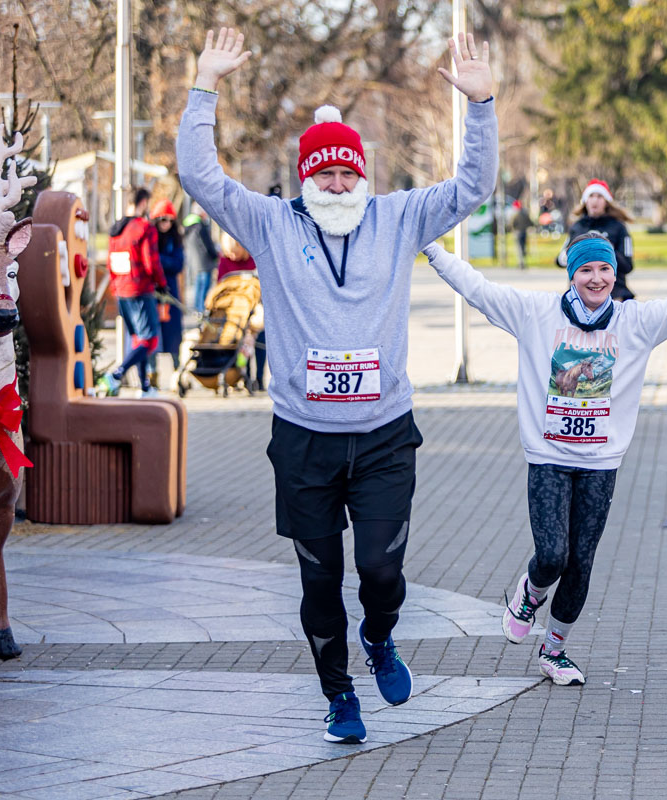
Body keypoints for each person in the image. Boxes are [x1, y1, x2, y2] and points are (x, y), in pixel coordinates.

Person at [177, 27, 498, 744]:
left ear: (363, 175)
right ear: (305, 178)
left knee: (380, 569)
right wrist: (205, 86)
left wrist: (480, 108)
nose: (337, 185)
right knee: (319, 582)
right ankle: (338, 695)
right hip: (305, 440)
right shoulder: (271, 224)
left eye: (348, 173)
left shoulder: (397, 217)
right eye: (323, 174)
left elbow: (473, 188)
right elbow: (201, 178)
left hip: (384, 436)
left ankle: (380, 636)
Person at [423, 205, 667, 686]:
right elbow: (478, 289)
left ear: (615, 273)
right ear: (571, 274)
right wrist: (431, 248)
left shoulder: (635, 322)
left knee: (580, 563)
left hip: (601, 462)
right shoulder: (536, 313)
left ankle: (555, 651)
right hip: (548, 456)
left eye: (604, 269)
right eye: (586, 269)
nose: (597, 278)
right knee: (552, 555)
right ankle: (530, 593)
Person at [98, 187, 166, 398]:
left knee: (138, 339)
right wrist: (162, 284)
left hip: (121, 290)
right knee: (150, 340)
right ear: (143, 203)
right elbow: (151, 262)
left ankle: (144, 387)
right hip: (140, 290)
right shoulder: (144, 228)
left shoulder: (116, 230)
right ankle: (116, 375)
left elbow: (110, 262)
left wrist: (116, 286)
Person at [558, 180, 635, 300]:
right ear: (585, 201)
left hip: (614, 294)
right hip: (580, 295)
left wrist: (606, 249)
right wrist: (574, 253)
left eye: (599, 196)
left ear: (606, 201)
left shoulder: (618, 227)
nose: (595, 200)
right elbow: (560, 261)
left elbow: (627, 266)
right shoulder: (577, 227)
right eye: (591, 196)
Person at [151, 199, 185, 371]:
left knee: (173, 334)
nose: (166, 224)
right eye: (163, 220)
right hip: (153, 291)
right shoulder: (150, 237)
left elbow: (178, 264)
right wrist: (162, 263)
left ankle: (177, 371)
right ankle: (152, 372)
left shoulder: (175, 239)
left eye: (170, 220)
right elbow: (149, 261)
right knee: (152, 332)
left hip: (170, 290)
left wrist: (159, 261)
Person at [182, 203, 220, 314]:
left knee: (198, 287)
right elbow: (207, 245)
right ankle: (201, 311)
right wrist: (215, 256)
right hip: (204, 262)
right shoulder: (200, 227)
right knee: (204, 288)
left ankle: (197, 310)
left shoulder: (188, 226)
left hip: (195, 262)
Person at [510, 200, 532, 269]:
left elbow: (512, 224)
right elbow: (529, 222)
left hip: (518, 233)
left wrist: (513, 230)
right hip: (524, 232)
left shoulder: (515, 214)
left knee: (519, 248)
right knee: (523, 247)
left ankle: (521, 263)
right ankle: (524, 262)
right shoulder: (525, 213)